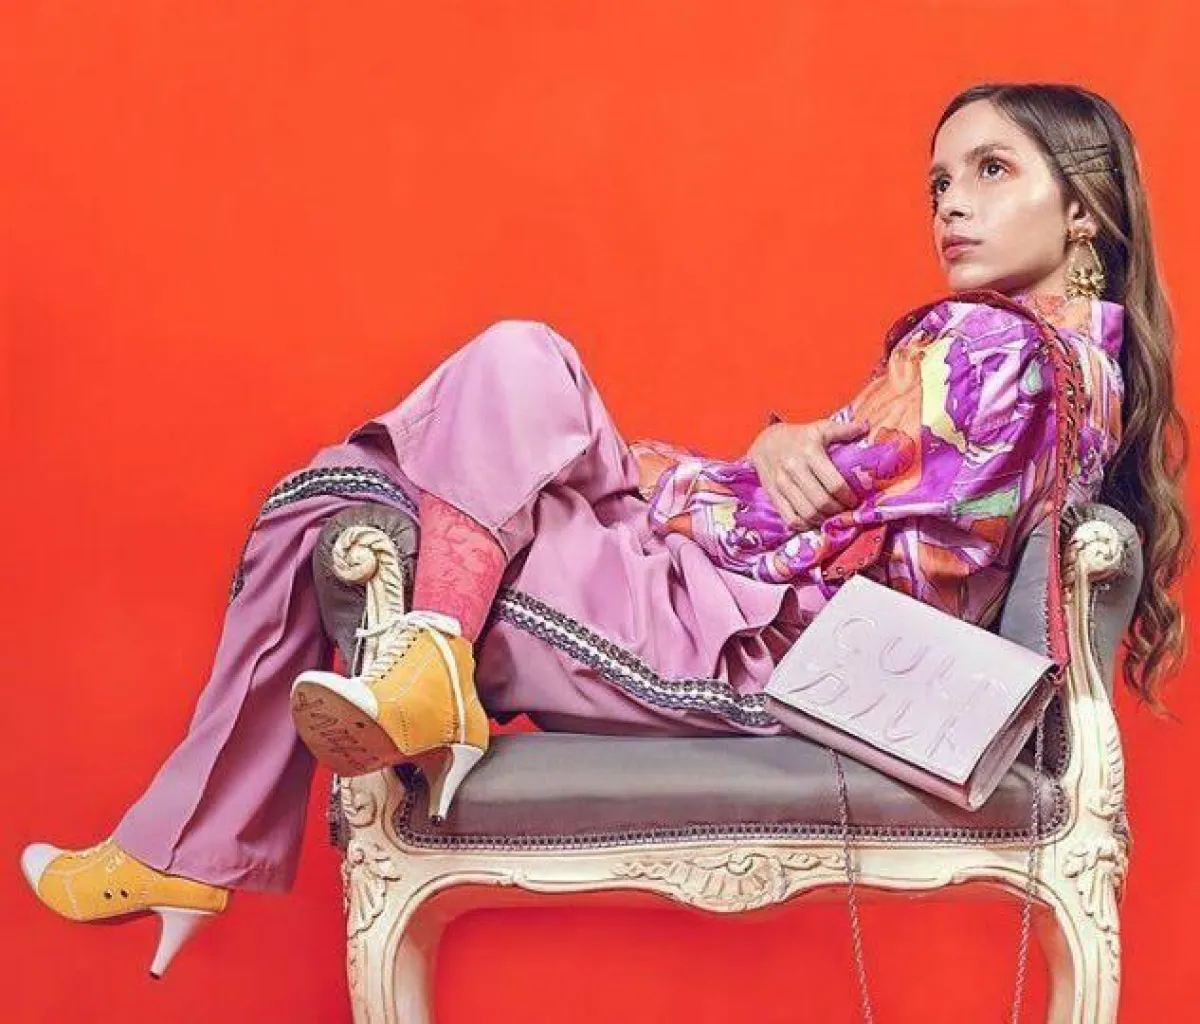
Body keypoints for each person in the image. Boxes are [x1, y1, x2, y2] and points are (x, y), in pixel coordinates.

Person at [20, 82, 1190, 980]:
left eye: (992, 171)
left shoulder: (981, 349)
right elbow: (825, 497)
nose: (951, 204)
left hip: (757, 648)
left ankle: (208, 831)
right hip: (746, 614)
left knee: (371, 479)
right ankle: (385, 695)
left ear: (1082, 208)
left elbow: (778, 528)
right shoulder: (1079, 366)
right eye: (939, 181)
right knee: (515, 370)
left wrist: (673, 472)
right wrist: (733, 459)